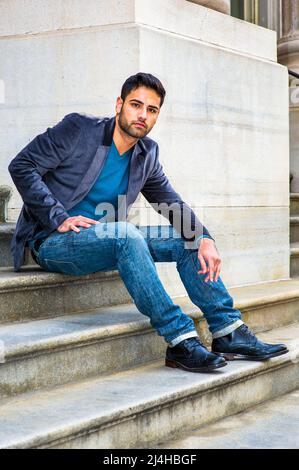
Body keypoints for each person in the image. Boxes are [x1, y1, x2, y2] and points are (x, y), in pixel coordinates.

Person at [8, 72, 288, 373]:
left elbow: (170, 202)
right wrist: (58, 217)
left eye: (151, 110)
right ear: (119, 105)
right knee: (125, 234)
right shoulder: (79, 130)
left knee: (188, 238)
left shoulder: (146, 154)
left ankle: (228, 331)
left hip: (107, 238)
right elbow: (22, 165)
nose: (142, 115)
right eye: (136, 105)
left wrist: (204, 237)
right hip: (52, 241)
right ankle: (180, 340)